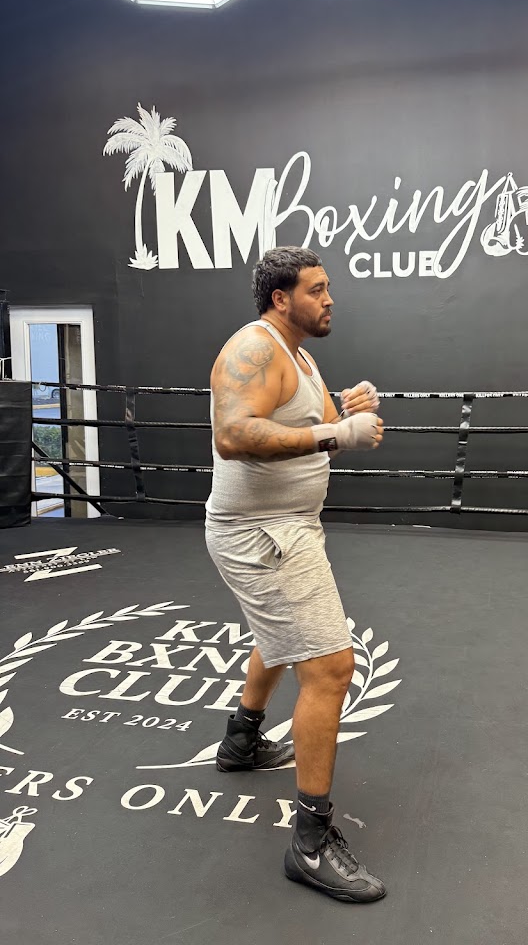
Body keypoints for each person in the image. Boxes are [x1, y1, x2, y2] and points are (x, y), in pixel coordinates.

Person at [205, 246, 386, 903]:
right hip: (261, 534)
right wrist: (337, 435)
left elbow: (318, 430)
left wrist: (349, 413)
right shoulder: (254, 348)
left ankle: (241, 743)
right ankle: (309, 844)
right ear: (281, 298)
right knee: (330, 666)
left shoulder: (300, 356)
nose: (329, 299)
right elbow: (233, 435)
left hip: (289, 527)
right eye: (316, 289)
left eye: (328, 287)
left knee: (280, 635)